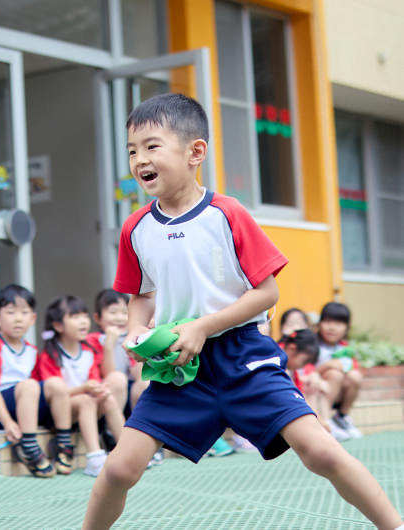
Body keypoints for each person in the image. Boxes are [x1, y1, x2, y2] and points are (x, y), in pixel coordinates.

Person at [82, 93, 404, 530]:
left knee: (321, 451)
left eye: (152, 146)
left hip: (244, 356)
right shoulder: (136, 228)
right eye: (132, 150)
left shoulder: (226, 213)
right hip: (181, 368)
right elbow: (141, 294)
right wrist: (137, 331)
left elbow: (267, 292)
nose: (140, 159)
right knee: (119, 469)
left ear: (195, 151)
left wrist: (204, 326)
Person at [0, 284, 73, 477]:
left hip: (22, 403)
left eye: (24, 312)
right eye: (10, 312)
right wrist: (8, 423)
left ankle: (64, 443)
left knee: (56, 384)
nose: (18, 319)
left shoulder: (32, 350)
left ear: (33, 318)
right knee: (28, 385)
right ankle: (28, 446)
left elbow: (39, 390)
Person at [34, 295, 125, 477]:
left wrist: (97, 388)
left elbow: (95, 380)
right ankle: (95, 458)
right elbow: (54, 392)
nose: (83, 322)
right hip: (58, 413)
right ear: (58, 325)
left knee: (106, 395)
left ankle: (127, 451)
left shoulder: (88, 351)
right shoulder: (50, 355)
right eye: (75, 317)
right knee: (85, 400)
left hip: (85, 406)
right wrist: (84, 388)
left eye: (84, 316)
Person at [87, 289, 146, 416]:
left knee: (145, 383)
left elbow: (139, 375)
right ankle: (111, 430)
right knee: (117, 379)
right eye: (113, 312)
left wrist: (137, 344)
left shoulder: (132, 337)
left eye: (125, 312)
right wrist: (109, 345)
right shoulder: (92, 340)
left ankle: (139, 425)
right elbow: (108, 375)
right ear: (97, 317)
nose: (120, 318)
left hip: (129, 392)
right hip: (106, 393)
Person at [316, 301, 363, 440]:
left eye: (338, 323)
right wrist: (328, 365)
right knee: (334, 374)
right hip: (314, 391)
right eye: (328, 321)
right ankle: (325, 420)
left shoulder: (345, 348)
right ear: (320, 323)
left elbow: (352, 368)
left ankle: (341, 417)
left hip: (336, 393)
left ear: (347, 328)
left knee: (355, 376)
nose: (332, 327)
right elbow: (304, 372)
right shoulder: (312, 345)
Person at [280, 329, 332, 432]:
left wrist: (320, 421)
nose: (303, 366)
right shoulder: (277, 361)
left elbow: (300, 395)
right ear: (292, 348)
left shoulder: (290, 368)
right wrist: (319, 421)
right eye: (305, 361)